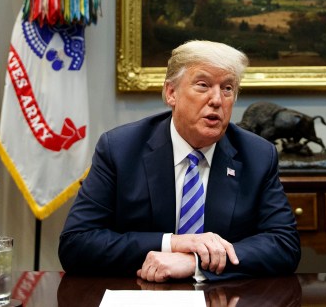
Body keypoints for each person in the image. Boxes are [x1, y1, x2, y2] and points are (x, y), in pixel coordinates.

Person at [59, 40, 301, 282]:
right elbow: (76, 243)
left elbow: (284, 245)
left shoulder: (257, 156)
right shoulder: (121, 149)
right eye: (203, 85)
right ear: (171, 93)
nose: (217, 99)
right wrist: (172, 243)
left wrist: (195, 262)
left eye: (227, 88)